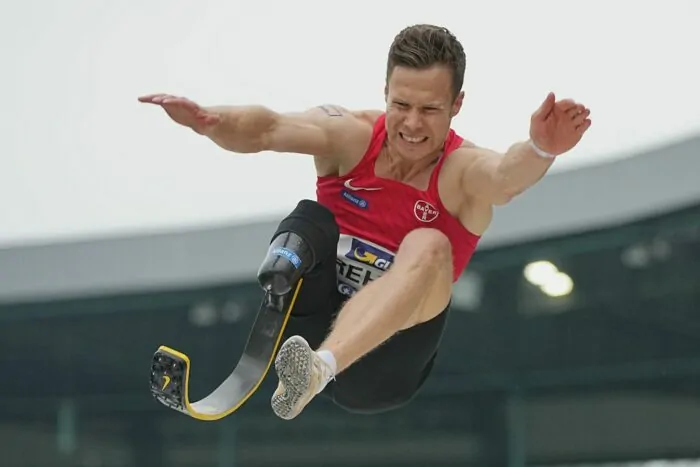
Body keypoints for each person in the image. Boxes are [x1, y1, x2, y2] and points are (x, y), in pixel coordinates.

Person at [139, 24, 591, 420]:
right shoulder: (350, 136)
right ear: (385, 92)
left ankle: (319, 370)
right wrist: (210, 121)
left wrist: (541, 149)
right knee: (310, 218)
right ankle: (281, 286)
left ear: (457, 105)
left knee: (430, 243)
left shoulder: (461, 172)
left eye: (430, 110)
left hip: (380, 368)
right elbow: (268, 129)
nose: (412, 124)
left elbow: (505, 178)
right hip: (309, 332)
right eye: (402, 104)